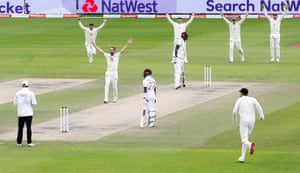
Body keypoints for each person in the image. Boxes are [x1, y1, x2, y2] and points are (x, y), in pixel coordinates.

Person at [92, 39, 133, 103]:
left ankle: (115, 98)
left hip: (114, 73)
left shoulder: (117, 55)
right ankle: (106, 99)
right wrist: (94, 45)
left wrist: (127, 44)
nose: (110, 50)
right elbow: (100, 51)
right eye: (110, 49)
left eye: (112, 49)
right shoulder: (107, 55)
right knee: (107, 84)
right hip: (108, 72)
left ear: (114, 50)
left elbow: (122, 50)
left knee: (114, 86)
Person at [232, 88, 264, 163]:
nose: (239, 94)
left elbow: (234, 111)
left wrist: (234, 120)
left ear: (242, 93)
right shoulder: (252, 99)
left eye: (240, 93)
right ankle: (242, 157)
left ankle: (250, 145)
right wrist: (261, 115)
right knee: (246, 138)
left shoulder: (239, 100)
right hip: (252, 121)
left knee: (244, 140)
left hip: (243, 121)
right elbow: (258, 106)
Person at [13, 80, 37, 147]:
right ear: (27, 85)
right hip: (29, 113)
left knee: (20, 128)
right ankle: (29, 142)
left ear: (21, 85)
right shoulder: (31, 93)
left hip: (20, 113)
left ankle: (18, 143)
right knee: (28, 128)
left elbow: (15, 103)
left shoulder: (17, 93)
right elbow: (34, 103)